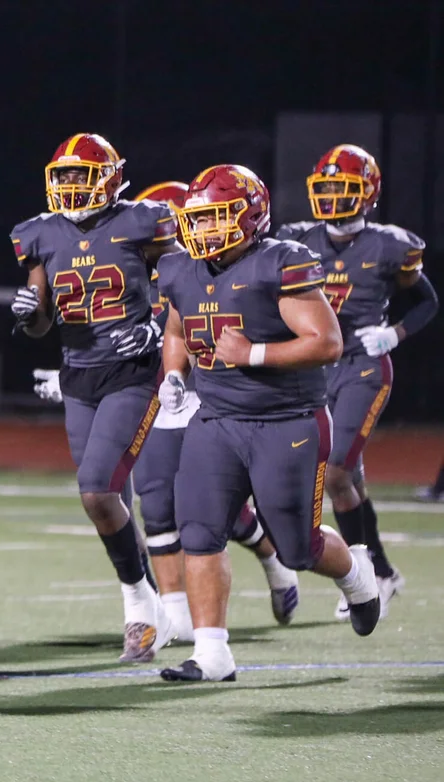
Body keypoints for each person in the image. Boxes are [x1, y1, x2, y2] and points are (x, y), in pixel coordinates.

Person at [158, 164, 381, 682]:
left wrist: (253, 353)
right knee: (199, 530)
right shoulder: (180, 270)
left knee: (298, 548)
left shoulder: (279, 262)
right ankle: (212, 655)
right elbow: (177, 329)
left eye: (217, 217)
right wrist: (173, 374)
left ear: (250, 216)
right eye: (199, 218)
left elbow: (327, 342)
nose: (205, 229)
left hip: (287, 421)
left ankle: (358, 576)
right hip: (216, 420)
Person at [9, 134, 178, 662]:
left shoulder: (144, 222)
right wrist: (29, 314)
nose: (69, 185)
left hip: (134, 372)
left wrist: (156, 328)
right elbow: (42, 323)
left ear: (107, 178)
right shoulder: (39, 233)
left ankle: (140, 605)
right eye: (61, 176)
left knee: (97, 492)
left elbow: (187, 286)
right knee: (109, 498)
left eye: (78, 175)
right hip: (79, 377)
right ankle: (151, 606)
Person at [128, 181, 299, 632]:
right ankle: (176, 616)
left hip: (210, 392)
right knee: (156, 500)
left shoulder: (217, 268)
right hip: (156, 392)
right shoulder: (136, 265)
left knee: (217, 509)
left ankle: (276, 561)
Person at [274, 145, 435, 622]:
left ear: (367, 193)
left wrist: (394, 333)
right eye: (323, 187)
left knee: (337, 472)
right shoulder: (297, 240)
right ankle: (381, 572)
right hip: (315, 368)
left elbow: (427, 302)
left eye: (340, 188)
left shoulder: (389, 245)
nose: (330, 197)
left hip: (364, 365)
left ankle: (363, 576)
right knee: (351, 482)